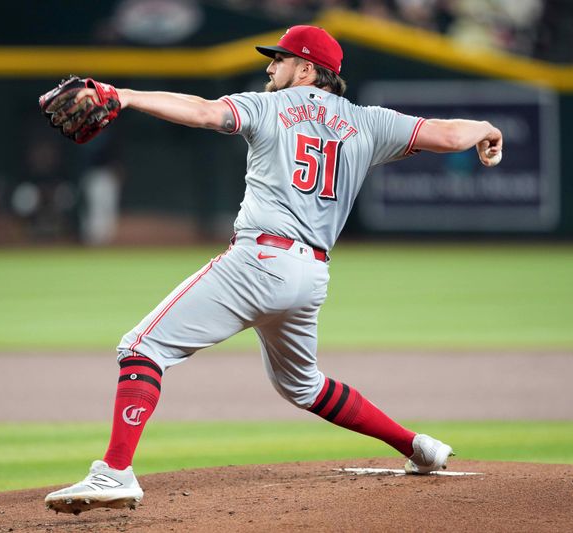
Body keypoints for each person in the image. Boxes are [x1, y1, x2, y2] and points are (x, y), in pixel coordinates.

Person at [44, 25, 503, 514]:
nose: (270, 67)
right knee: (301, 385)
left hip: (259, 262)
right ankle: (420, 448)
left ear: (307, 69)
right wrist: (487, 132)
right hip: (311, 277)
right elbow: (453, 134)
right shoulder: (370, 121)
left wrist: (125, 96)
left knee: (141, 346)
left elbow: (202, 112)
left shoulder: (270, 107)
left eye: (280, 59)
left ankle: (114, 472)